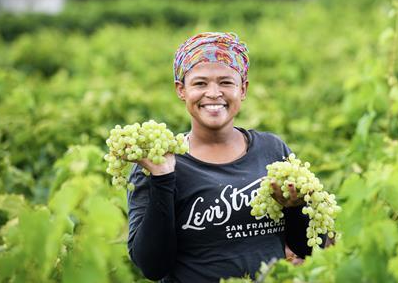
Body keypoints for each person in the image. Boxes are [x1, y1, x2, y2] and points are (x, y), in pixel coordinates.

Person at [127, 32, 322, 283]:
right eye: (199, 83)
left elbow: (308, 247)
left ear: (243, 89)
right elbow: (152, 267)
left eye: (226, 82)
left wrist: (295, 210)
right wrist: (163, 178)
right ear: (181, 90)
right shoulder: (157, 161)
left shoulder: (272, 150)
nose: (213, 93)